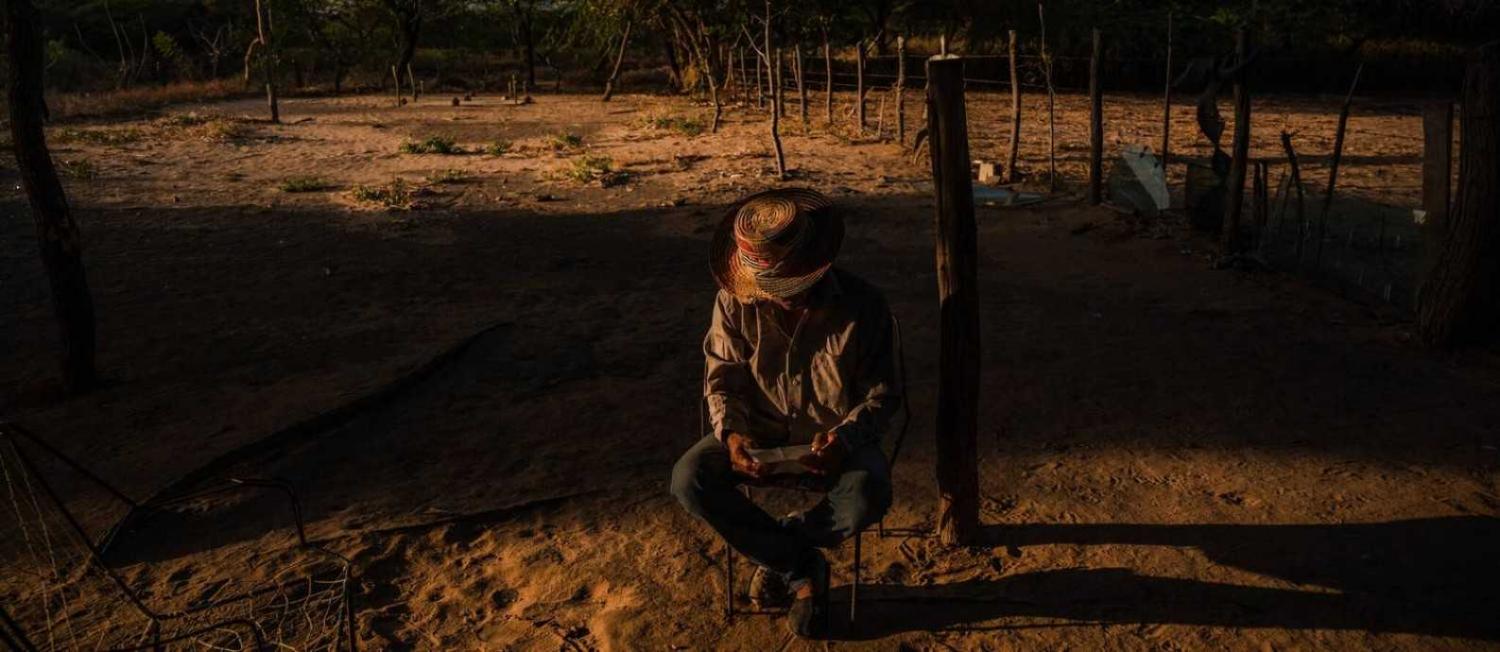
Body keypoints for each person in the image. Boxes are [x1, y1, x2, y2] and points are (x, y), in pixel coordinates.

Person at [670, 188, 899, 639]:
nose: (782, 296)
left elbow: (883, 396)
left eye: (793, 285)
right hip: (757, 435)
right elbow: (722, 380)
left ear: (820, 264)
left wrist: (844, 440)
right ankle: (798, 563)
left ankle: (782, 543)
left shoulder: (864, 305)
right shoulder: (733, 303)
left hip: (832, 440)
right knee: (689, 479)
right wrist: (732, 435)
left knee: (868, 493)